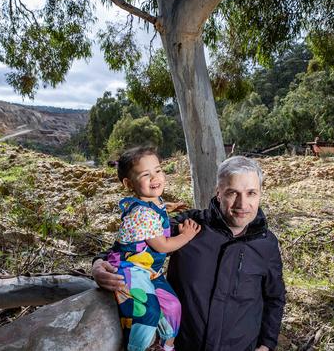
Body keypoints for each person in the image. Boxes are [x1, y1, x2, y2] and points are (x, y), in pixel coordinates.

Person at [93, 156, 286, 351]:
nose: (242, 204)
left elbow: (274, 297)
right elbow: (132, 244)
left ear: (260, 194)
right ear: (218, 193)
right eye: (232, 193)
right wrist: (99, 264)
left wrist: (267, 345)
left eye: (251, 193)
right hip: (184, 345)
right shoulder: (189, 227)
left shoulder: (266, 244)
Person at [108, 146, 202, 351]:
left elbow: (157, 211)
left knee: (173, 306)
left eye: (158, 170)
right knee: (148, 312)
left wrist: (170, 206)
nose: (155, 177)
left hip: (150, 272)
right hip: (131, 270)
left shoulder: (153, 202)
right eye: (145, 174)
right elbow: (163, 245)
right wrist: (186, 235)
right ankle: (137, 347)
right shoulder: (142, 213)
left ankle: (167, 346)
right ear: (128, 183)